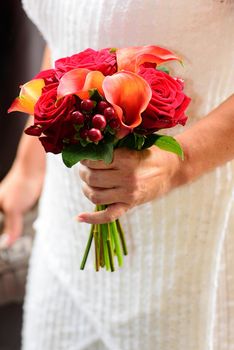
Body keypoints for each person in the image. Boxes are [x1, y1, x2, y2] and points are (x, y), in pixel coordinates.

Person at [0, 0, 233, 349]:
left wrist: (175, 166)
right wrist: (28, 169)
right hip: (63, 241)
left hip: (183, 246)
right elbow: (72, 33)